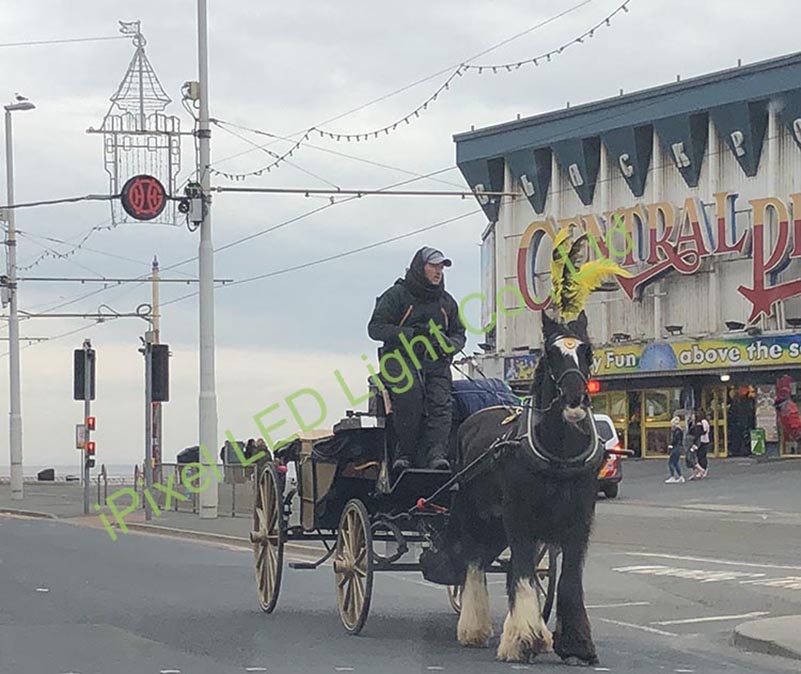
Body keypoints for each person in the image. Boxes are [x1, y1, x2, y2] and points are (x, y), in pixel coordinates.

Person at [368, 246, 466, 473]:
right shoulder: (396, 295)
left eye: (441, 267)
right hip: (398, 359)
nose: (438, 271)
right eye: (433, 266)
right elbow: (375, 329)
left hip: (435, 362)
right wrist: (411, 334)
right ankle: (404, 452)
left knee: (442, 403)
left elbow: (459, 333)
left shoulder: (447, 302)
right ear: (420, 267)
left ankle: (437, 454)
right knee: (409, 394)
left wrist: (449, 346)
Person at [665, 416, 685, 483]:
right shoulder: (680, 430)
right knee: (676, 462)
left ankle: (672, 476)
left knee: (671, 462)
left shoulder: (676, 431)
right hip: (679, 447)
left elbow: (675, 440)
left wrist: (671, 445)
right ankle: (680, 476)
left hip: (676, 447)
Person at [695, 409, 711, 478]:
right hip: (700, 441)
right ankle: (701, 469)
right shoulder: (700, 422)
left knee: (702, 456)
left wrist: (698, 432)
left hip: (704, 440)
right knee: (699, 456)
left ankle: (704, 469)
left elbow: (704, 431)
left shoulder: (704, 422)